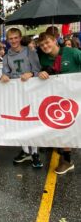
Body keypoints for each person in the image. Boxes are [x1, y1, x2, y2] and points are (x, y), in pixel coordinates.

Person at [37, 32, 81, 174]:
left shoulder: (73, 52)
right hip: (61, 101)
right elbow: (43, 74)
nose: (45, 46)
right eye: (42, 45)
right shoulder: (44, 58)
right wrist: (41, 73)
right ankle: (67, 160)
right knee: (64, 128)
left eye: (47, 42)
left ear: (55, 40)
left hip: (77, 97)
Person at [1, 28, 43, 168]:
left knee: (32, 121)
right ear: (8, 40)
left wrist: (31, 74)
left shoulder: (30, 52)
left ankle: (35, 152)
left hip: (31, 91)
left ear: (20, 38)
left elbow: (38, 71)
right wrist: (4, 76)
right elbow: (5, 73)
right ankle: (25, 151)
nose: (13, 41)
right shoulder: (6, 57)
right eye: (10, 38)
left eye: (15, 38)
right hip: (16, 93)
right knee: (21, 121)